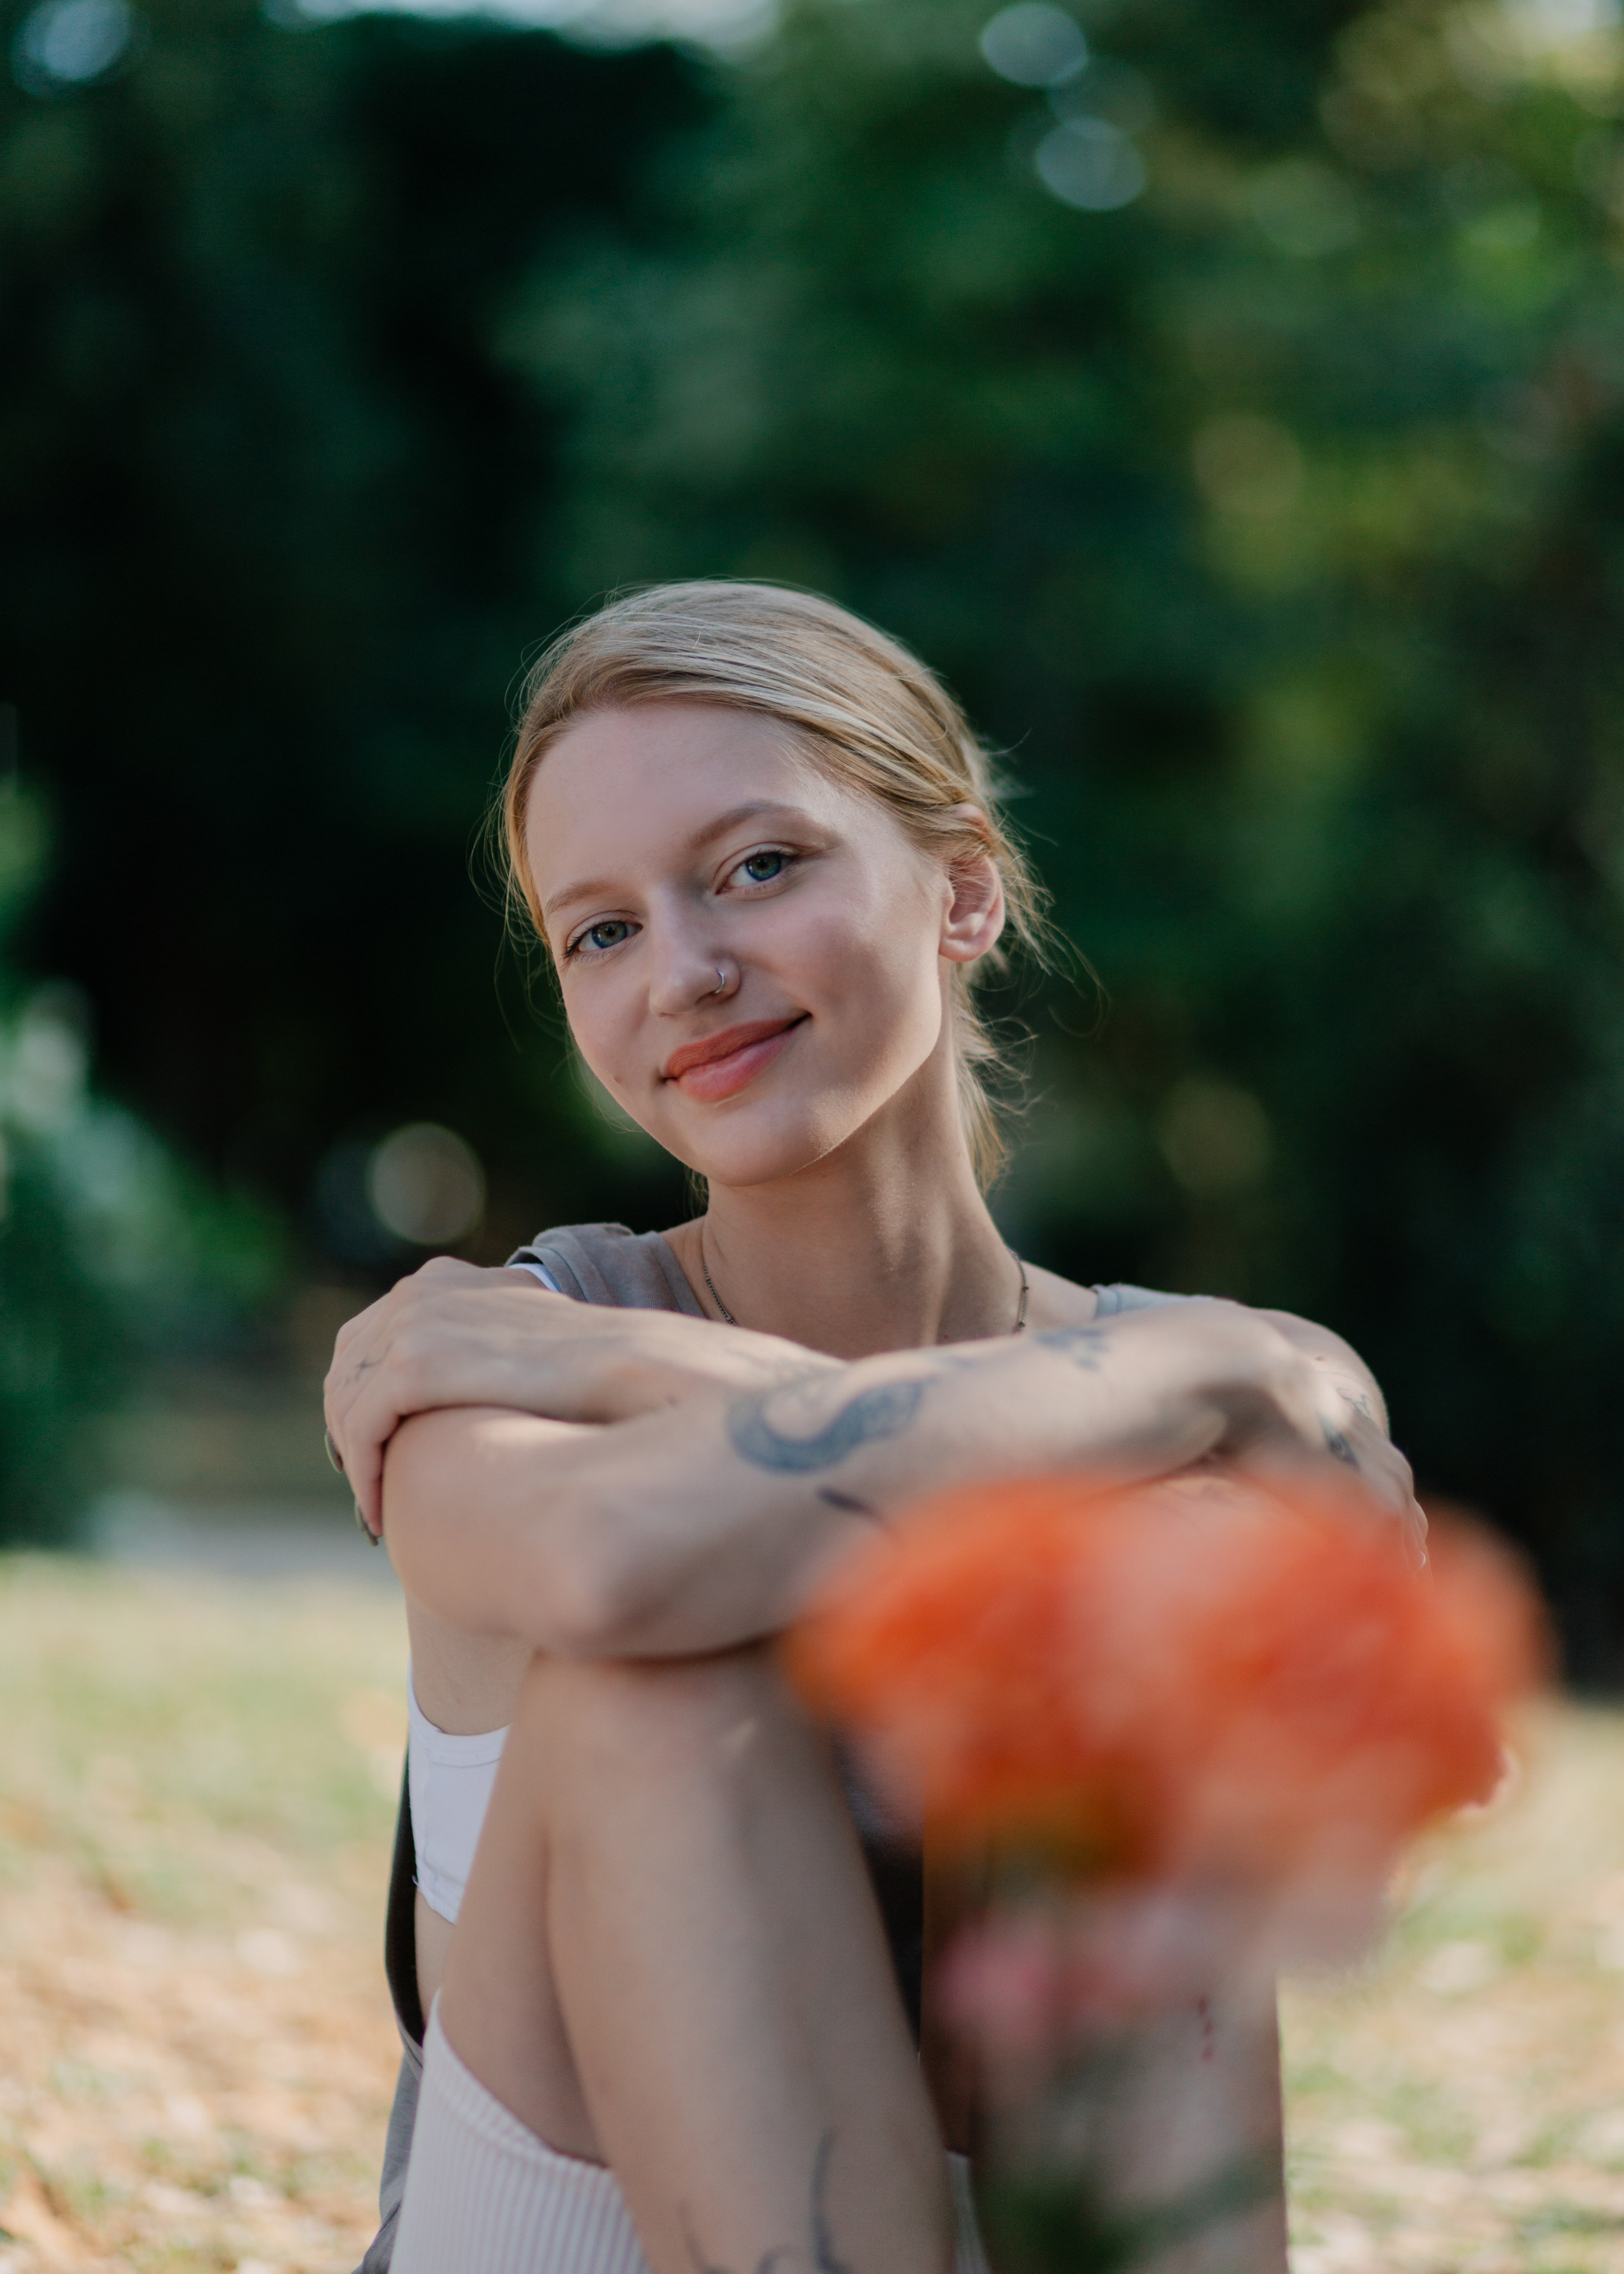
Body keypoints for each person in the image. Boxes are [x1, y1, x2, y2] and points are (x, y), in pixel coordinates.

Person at [324, 582, 1420, 2274]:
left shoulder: (1164, 1387)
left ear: (963, 888)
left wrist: (710, 1403)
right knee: (670, 1680)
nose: (686, 974)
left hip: (1027, 2223)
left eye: (758, 866)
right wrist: (1228, 1378)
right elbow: (619, 1562)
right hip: (556, 2232)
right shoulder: (511, 1343)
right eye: (598, 932)